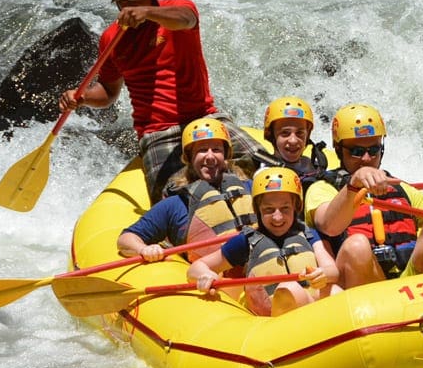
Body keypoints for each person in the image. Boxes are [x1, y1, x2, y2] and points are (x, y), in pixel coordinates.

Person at [58, 0, 265, 202]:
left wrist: (148, 13)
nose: (128, 9)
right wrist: (82, 98)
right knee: (176, 198)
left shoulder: (178, 10)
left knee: (265, 165)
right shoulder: (111, 38)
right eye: (122, 2)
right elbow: (108, 91)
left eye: (136, 0)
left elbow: (186, 19)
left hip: (204, 116)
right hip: (158, 131)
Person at [305, 103, 423, 288]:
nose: (366, 158)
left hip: (406, 284)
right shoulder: (322, 189)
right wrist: (353, 186)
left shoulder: (401, 188)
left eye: (373, 150)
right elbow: (329, 226)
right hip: (361, 287)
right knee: (356, 246)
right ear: (339, 150)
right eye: (356, 152)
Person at [187, 167, 341, 316]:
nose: (277, 217)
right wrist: (205, 275)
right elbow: (196, 267)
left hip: (311, 307)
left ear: (296, 207)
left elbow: (333, 270)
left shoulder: (308, 234)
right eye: (269, 209)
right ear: (258, 209)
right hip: (271, 322)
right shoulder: (246, 241)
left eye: (285, 208)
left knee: (335, 292)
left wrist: (323, 273)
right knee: (291, 289)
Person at [117, 117, 254, 262]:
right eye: (202, 151)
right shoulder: (174, 204)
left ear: (226, 156)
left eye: (216, 150)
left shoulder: (251, 187)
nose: (210, 157)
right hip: (210, 277)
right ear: (189, 158)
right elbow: (126, 239)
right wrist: (144, 249)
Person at [253, 96, 328, 191]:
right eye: (285, 133)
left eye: (300, 133)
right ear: (271, 136)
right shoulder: (264, 175)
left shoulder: (313, 166)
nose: (293, 140)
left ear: (307, 136)